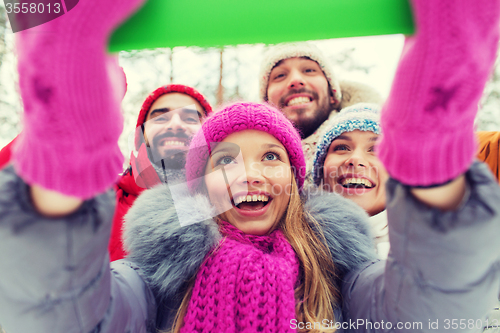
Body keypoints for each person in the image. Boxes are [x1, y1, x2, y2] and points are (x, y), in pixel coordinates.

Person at [2, 1, 500, 333]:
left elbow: (431, 311)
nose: (250, 174)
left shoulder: (339, 268)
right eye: (224, 160)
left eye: (271, 156)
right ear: (199, 187)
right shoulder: (157, 272)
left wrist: (432, 148)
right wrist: (64, 144)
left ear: (297, 179)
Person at [110, 84, 212, 261]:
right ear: (141, 135)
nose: (176, 125)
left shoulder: (233, 202)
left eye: (190, 119)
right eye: (160, 118)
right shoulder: (99, 201)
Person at [259, 42, 384, 185]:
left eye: (309, 70)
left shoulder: (382, 145)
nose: (295, 80)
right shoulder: (244, 162)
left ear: (332, 95)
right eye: (280, 75)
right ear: (266, 103)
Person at [312, 103, 390, 257]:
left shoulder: (433, 246)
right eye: (341, 147)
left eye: (375, 149)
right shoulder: (292, 243)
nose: (355, 159)